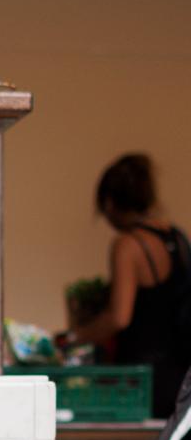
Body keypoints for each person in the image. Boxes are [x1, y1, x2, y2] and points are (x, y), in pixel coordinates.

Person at [63, 153, 190, 418]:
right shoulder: (178, 240)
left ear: (110, 203)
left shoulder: (129, 245)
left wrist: (73, 338)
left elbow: (119, 317)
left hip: (141, 381)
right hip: (180, 376)